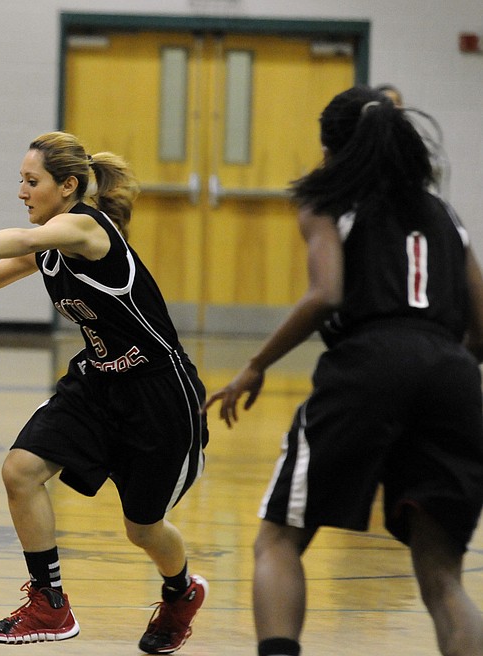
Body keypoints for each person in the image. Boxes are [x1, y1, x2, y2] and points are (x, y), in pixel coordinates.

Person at [0, 131, 210, 654]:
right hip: (97, 383)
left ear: (67, 187)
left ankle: (181, 591)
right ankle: (50, 605)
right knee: (20, 470)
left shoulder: (85, 228)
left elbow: (22, 240)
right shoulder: (52, 245)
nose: (21, 190)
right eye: (21, 179)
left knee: (143, 527)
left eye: (31, 180)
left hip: (158, 395)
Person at [204, 86, 483, 656]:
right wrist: (440, 372)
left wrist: (255, 365)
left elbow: (326, 293)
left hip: (369, 363)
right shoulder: (446, 215)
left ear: (332, 150)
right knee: (442, 575)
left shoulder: (326, 201)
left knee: (278, 540)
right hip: (455, 376)